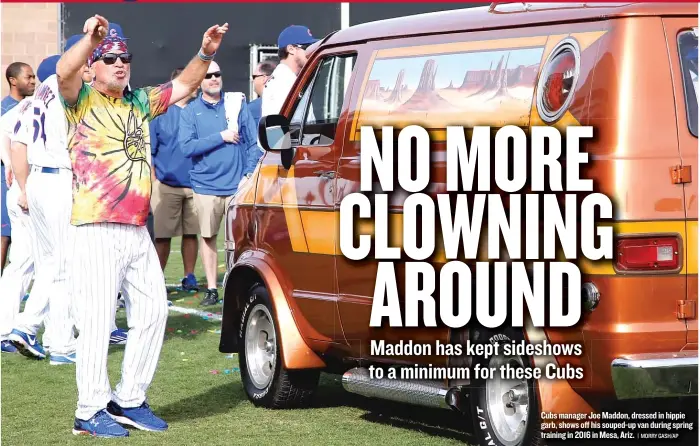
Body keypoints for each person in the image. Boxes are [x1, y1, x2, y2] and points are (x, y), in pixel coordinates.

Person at [56, 14, 229, 437]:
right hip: (96, 226)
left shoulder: (139, 101)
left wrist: (206, 52)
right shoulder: (80, 100)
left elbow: (185, 85)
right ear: (92, 67)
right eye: (110, 57)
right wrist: (87, 39)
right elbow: (64, 72)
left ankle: (128, 399)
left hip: (136, 227)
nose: (120, 63)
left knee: (153, 313)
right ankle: (88, 409)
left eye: (125, 57)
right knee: (97, 322)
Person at [179, 62, 260, 306]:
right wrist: (220, 137)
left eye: (218, 74)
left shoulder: (236, 104)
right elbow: (186, 147)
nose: (214, 78)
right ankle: (213, 288)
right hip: (205, 186)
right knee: (208, 237)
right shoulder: (190, 112)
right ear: (199, 82)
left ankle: (240, 286)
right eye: (209, 75)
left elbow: (253, 143)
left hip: (237, 185)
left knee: (242, 240)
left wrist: (247, 174)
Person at [150, 67, 200, 290]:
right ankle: (156, 279)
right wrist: (153, 184)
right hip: (166, 185)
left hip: (195, 184)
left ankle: (190, 277)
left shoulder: (199, 112)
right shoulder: (161, 113)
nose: (197, 85)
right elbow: (149, 151)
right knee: (162, 236)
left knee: (191, 233)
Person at [0, 97, 33, 354]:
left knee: (23, 262)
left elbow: (3, 126)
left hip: (26, 186)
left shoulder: (31, 102)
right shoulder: (43, 100)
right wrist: (9, 163)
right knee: (27, 262)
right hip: (30, 187)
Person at [1, 62, 36, 274]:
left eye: (34, 77)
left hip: (29, 179)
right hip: (9, 181)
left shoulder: (33, 105)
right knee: (4, 235)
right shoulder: (5, 109)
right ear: (13, 81)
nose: (33, 81)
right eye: (28, 77)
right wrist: (8, 163)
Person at [260, 25, 318, 118]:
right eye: (307, 47)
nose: (311, 51)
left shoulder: (291, 79)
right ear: (291, 49)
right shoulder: (280, 82)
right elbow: (273, 129)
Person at [248, 57, 278, 129]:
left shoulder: (251, 109)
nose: (252, 81)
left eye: (254, 77)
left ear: (264, 78)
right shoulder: (288, 101)